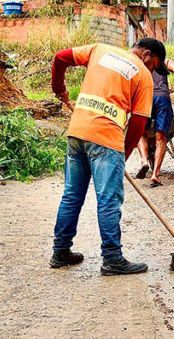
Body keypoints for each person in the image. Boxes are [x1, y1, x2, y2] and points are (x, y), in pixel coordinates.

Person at [49, 38, 163, 276]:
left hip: (77, 132)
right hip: (105, 140)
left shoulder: (98, 50)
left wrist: (58, 87)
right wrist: (124, 153)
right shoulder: (142, 74)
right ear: (146, 55)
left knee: (72, 195)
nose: (152, 71)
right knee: (108, 201)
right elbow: (139, 121)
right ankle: (112, 259)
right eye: (154, 65)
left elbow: (60, 57)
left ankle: (60, 251)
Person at [136, 57, 174, 187]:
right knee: (161, 138)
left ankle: (144, 161)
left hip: (145, 97)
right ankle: (155, 175)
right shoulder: (164, 60)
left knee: (141, 134)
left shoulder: (140, 61)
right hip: (162, 98)